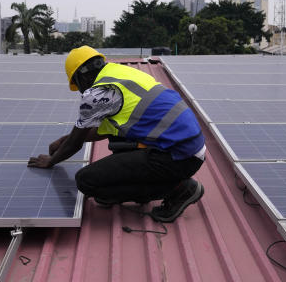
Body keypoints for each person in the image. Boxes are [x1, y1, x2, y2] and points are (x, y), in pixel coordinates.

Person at [28, 46, 205, 222]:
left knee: (86, 181)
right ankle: (130, 189)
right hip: (188, 148)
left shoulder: (99, 92)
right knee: (115, 142)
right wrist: (63, 140)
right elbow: (100, 130)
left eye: (78, 85)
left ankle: (179, 189)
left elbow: (75, 143)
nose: (81, 92)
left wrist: (51, 160)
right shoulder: (119, 73)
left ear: (82, 76)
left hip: (178, 156)